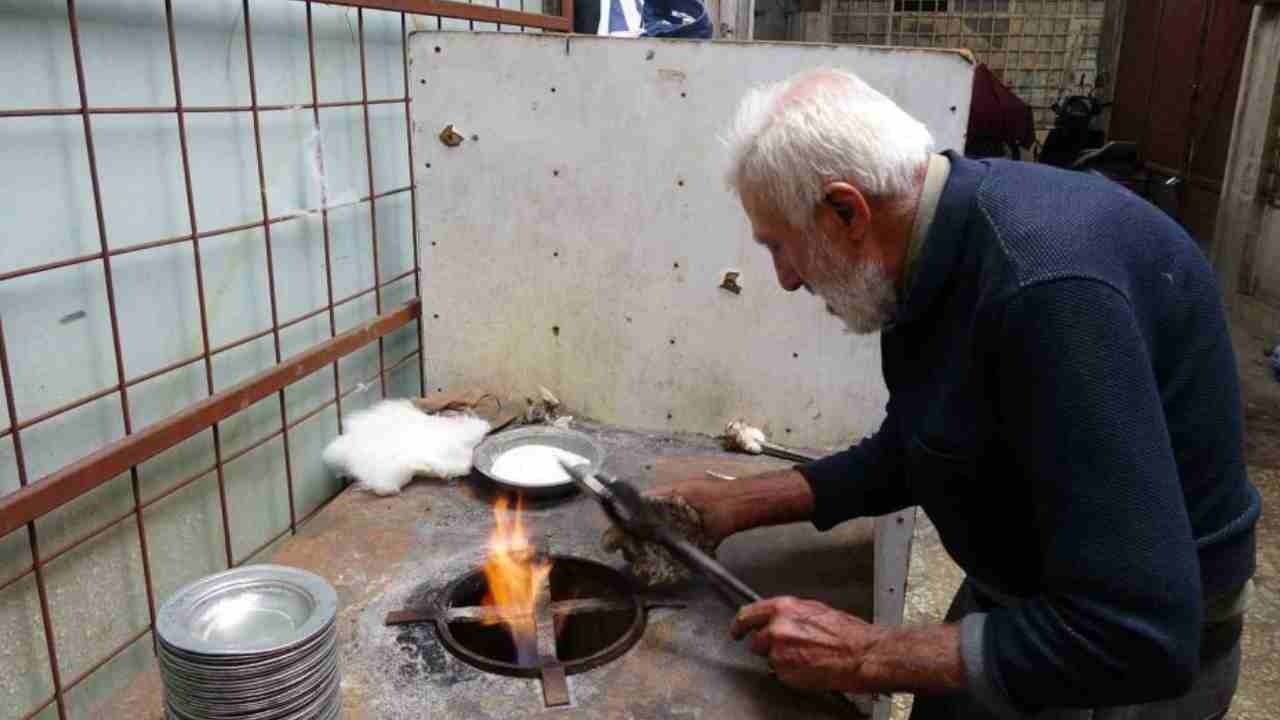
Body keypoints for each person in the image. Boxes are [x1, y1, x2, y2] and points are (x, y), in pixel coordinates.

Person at [651, 68, 1260, 719]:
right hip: (1021, 591)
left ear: (846, 211)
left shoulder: (1045, 290)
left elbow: (1140, 636)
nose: (786, 280)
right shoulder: (933, 247)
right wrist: (739, 503)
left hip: (1115, 664)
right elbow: (925, 444)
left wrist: (867, 654)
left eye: (781, 246)